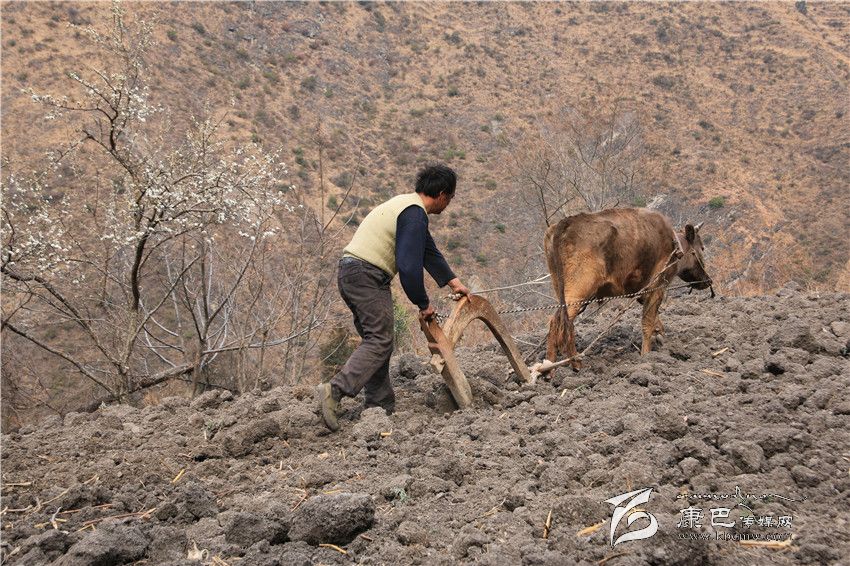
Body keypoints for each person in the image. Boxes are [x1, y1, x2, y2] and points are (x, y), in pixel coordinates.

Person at [316, 164, 470, 431]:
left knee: (377, 340)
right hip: (367, 275)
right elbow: (409, 266)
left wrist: (454, 283)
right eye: (451, 198)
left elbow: (429, 252)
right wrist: (423, 304)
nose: (449, 204)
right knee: (380, 340)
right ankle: (335, 390)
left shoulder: (406, 206)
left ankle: (379, 405)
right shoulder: (414, 215)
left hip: (351, 272)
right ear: (442, 194)